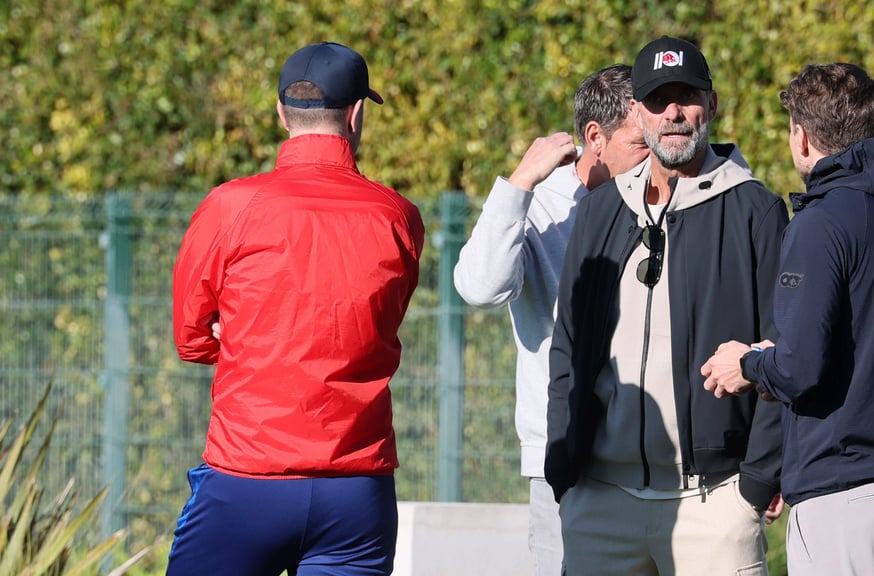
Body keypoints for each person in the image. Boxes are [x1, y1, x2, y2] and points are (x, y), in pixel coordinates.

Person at [168, 41, 424, 575]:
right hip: (357, 487)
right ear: (356, 115)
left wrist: (251, 341)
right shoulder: (398, 216)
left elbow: (191, 339)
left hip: (246, 478)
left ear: (281, 112)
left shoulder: (230, 206)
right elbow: (374, 323)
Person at [701, 63, 874, 576]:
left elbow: (799, 370)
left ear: (801, 137)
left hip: (847, 496)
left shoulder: (819, 223)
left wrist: (749, 364)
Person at [546, 36, 789, 575]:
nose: (674, 113)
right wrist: (563, 471)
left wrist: (757, 480)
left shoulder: (756, 210)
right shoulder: (600, 211)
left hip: (716, 503)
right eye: (658, 100)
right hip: (599, 502)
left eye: (687, 97)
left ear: (713, 104)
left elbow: (784, 348)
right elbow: (566, 348)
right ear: (637, 112)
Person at [453, 63, 648, 576]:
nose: (657, 157)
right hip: (565, 456)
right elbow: (479, 287)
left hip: (655, 452)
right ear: (595, 138)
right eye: (641, 144)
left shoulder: (665, 198)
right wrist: (519, 182)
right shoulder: (542, 206)